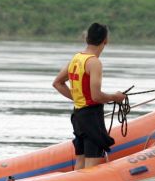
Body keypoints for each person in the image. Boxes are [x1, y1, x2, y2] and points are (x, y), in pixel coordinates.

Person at [52, 22, 126, 170]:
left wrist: (79, 98)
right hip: (91, 118)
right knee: (92, 165)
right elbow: (97, 96)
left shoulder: (76, 58)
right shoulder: (94, 63)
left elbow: (57, 83)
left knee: (80, 161)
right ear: (105, 40)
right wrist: (115, 97)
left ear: (87, 38)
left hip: (78, 116)